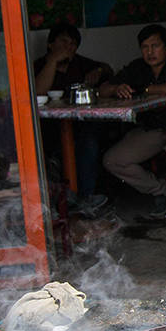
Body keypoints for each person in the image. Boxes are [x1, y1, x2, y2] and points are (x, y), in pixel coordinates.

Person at [100, 23, 166, 217]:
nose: (150, 52)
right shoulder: (137, 67)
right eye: (145, 47)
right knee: (113, 160)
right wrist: (117, 89)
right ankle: (161, 190)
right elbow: (103, 89)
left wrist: (147, 89)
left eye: (155, 46)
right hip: (151, 128)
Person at [33, 23, 112, 213]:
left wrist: (99, 72)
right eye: (63, 42)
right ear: (51, 44)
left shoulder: (80, 64)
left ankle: (85, 199)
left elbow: (107, 68)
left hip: (78, 128)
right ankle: (66, 200)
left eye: (73, 44)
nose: (68, 47)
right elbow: (37, 92)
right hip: (47, 130)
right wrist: (53, 61)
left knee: (89, 141)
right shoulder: (38, 66)